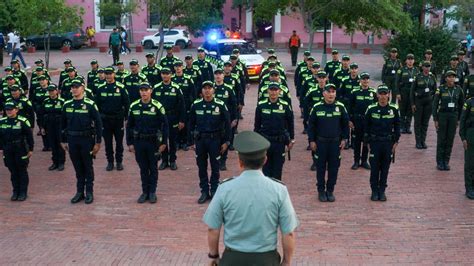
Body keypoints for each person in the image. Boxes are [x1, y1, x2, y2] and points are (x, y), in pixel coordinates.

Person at [203, 131, 298, 266]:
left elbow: (212, 228)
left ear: (240, 162)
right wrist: (286, 262)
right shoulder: (279, 190)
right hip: (266, 259)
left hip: (233, 259)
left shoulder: (225, 188)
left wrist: (214, 256)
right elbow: (288, 233)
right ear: (265, 160)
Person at [188, 81, 231, 204]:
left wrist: (227, 142)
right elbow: (190, 124)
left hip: (215, 140)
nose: (207, 91)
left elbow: (227, 125)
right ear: (201, 91)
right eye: (205, 88)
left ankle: (214, 190)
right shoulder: (196, 105)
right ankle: (204, 191)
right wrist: (190, 141)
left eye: (209, 88)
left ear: (213, 90)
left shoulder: (220, 104)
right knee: (201, 167)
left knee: (215, 166)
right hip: (200, 140)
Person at [61, 79, 102, 204]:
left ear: (82, 88)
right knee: (78, 167)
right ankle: (79, 192)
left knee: (87, 167)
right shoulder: (67, 105)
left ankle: (89, 192)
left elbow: (98, 124)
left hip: (86, 140)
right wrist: (63, 141)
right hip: (72, 140)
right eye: (72, 87)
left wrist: (98, 142)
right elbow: (63, 124)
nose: (74, 89)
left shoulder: (90, 104)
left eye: (77, 87)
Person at [126, 83, 168, 204]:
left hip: (153, 142)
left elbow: (165, 125)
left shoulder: (157, 106)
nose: (144, 93)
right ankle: (145, 192)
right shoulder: (134, 106)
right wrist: (129, 142)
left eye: (146, 90)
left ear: (151, 91)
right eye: (142, 90)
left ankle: (152, 192)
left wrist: (164, 142)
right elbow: (129, 125)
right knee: (143, 168)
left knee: (153, 167)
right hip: (139, 141)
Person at [308, 83, 349, 202]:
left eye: (333, 92)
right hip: (321, 143)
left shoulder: (340, 107)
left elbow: (345, 125)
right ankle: (321, 191)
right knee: (320, 168)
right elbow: (311, 126)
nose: (331, 94)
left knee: (334, 168)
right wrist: (311, 140)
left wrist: (344, 139)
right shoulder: (317, 107)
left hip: (335, 144)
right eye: (328, 92)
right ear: (323, 93)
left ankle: (330, 190)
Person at [364, 85, 401, 201]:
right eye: (381, 93)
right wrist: (367, 142)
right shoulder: (371, 108)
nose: (383, 96)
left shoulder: (394, 109)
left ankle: (382, 191)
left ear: (389, 95)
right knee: (374, 168)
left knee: (385, 168)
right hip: (375, 142)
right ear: (377, 95)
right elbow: (366, 127)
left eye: (385, 93)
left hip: (388, 143)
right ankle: (374, 191)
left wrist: (396, 142)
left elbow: (397, 126)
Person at [254, 82, 295, 180]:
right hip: (265, 142)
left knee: (277, 170)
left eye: (275, 90)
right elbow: (257, 125)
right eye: (271, 90)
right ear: (268, 91)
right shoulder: (261, 105)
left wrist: (291, 139)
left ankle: (276, 192)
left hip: (279, 142)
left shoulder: (285, 106)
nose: (273, 92)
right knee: (266, 170)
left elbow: (290, 123)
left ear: (279, 91)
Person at [95, 66, 130, 171]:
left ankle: (119, 162)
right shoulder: (101, 88)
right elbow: (97, 105)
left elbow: (127, 103)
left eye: (110, 73)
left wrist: (127, 118)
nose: (108, 75)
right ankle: (110, 162)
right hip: (105, 120)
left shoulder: (121, 87)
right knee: (108, 143)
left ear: (114, 74)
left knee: (119, 142)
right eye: (107, 73)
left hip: (118, 119)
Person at [0, 101, 34, 201]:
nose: (9, 111)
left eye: (11, 109)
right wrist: (1, 148)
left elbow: (29, 136)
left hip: (20, 149)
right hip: (8, 149)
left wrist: (31, 149)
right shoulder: (2, 122)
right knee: (12, 171)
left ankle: (23, 192)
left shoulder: (23, 121)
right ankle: (15, 191)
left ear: (16, 110)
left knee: (22, 170)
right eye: (7, 110)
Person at [432, 70, 464, 171]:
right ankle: (439, 162)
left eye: (453, 77)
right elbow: (435, 104)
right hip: (443, 115)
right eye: (449, 77)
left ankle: (446, 161)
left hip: (453, 116)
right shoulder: (441, 89)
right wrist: (435, 119)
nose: (451, 79)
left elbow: (461, 105)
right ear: (446, 78)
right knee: (441, 139)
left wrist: (459, 119)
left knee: (450, 139)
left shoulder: (458, 89)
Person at [348, 72, 377, 170]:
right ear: (360, 80)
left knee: (366, 141)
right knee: (356, 141)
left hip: (368, 121)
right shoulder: (355, 92)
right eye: (363, 79)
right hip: (357, 120)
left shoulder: (373, 92)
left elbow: (376, 107)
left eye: (367, 79)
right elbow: (350, 107)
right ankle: (356, 161)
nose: (365, 81)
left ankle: (364, 161)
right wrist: (350, 120)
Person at [213, 68, 238, 170]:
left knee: (225, 140)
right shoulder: (210, 88)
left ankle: (223, 161)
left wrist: (234, 118)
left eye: (220, 74)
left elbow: (233, 104)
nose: (218, 76)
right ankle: (216, 160)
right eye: (216, 74)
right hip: (214, 120)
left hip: (225, 120)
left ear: (223, 76)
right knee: (215, 141)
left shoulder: (228, 89)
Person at [411, 61, 437, 149]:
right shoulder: (418, 77)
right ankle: (418, 142)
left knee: (425, 123)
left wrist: (434, 102)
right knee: (418, 122)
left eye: (428, 66)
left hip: (428, 102)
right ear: (422, 67)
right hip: (419, 102)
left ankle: (423, 141)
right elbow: (412, 91)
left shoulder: (432, 77)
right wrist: (413, 104)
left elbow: (435, 90)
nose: (427, 68)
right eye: (425, 66)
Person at [40, 84, 66, 171]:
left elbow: (66, 116)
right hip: (49, 126)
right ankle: (55, 162)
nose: (51, 92)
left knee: (60, 144)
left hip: (59, 126)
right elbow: (42, 114)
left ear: (56, 91)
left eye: (52, 90)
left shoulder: (62, 101)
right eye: (49, 91)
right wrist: (42, 127)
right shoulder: (46, 101)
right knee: (53, 144)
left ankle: (61, 163)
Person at [396, 53, 419, 134]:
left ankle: (408, 127)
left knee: (410, 110)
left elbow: (418, 83)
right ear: (406, 61)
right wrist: (398, 93)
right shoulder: (401, 70)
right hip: (403, 92)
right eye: (408, 59)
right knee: (402, 110)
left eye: (411, 59)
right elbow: (397, 82)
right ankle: (402, 127)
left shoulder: (416, 70)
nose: (410, 61)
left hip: (412, 93)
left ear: (414, 61)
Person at [460, 95, 474, 199]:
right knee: (469, 163)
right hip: (471, 135)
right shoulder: (469, 102)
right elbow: (463, 120)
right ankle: (469, 188)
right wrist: (463, 138)